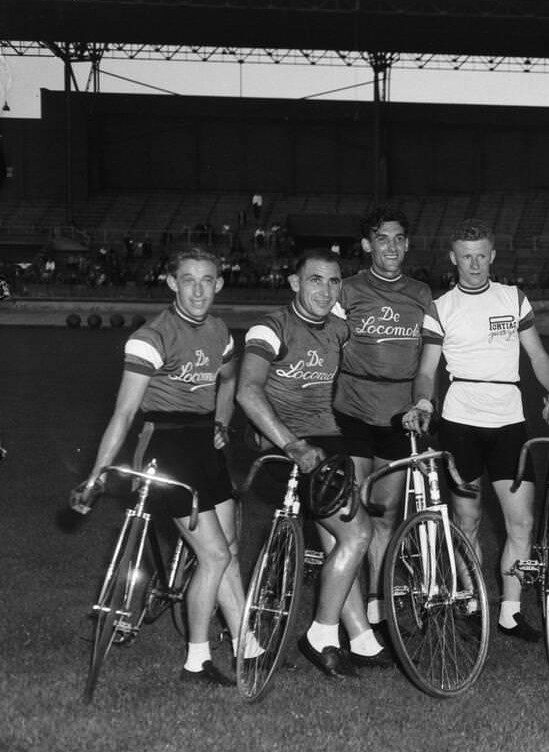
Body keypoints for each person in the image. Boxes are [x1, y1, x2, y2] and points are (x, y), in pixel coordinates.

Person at [70, 246, 245, 686]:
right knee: (215, 553)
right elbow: (124, 413)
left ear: (219, 284)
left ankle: (248, 644)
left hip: (204, 444)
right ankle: (196, 661)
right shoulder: (151, 337)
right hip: (164, 447)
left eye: (208, 280)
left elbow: (228, 378)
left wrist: (220, 420)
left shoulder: (221, 331)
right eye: (189, 279)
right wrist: (95, 475)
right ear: (171, 283)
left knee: (231, 550)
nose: (199, 289)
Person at [237, 248, 389, 679]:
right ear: (294, 283)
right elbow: (248, 391)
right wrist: (291, 445)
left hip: (327, 442)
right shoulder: (271, 328)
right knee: (357, 532)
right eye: (315, 280)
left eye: (333, 281)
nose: (325, 289)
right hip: (283, 444)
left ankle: (360, 637)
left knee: (338, 538)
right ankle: (322, 634)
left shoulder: (339, 329)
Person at [425, 219, 549, 642]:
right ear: (453, 259)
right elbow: (425, 370)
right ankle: (472, 601)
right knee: (466, 519)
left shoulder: (513, 298)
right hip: (460, 422)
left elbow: (538, 357)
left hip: (508, 421)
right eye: (465, 256)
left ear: (492, 256)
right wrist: (422, 400)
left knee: (521, 521)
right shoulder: (441, 306)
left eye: (481, 255)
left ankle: (510, 610)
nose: (474, 264)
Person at [331, 207, 439, 633]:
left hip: (399, 415)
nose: (391, 247)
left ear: (407, 244)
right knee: (349, 512)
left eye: (398, 239)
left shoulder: (421, 293)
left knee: (385, 514)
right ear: (366, 245)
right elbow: (326, 347)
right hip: (352, 410)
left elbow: (428, 363)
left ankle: (376, 600)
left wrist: (424, 402)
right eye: (382, 239)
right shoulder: (348, 291)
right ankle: (344, 601)